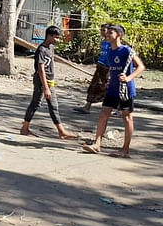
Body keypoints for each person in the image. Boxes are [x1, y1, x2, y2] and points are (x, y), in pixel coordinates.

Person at [83, 24, 146, 158]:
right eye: (107, 33)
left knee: (127, 118)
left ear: (119, 35)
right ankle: (97, 144)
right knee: (104, 114)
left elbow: (141, 66)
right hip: (112, 89)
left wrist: (128, 78)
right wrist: (110, 79)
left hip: (126, 90)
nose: (107, 35)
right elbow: (113, 68)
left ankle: (125, 150)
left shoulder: (126, 50)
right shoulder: (110, 51)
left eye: (110, 33)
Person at [19, 26, 77, 139]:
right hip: (42, 81)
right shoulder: (41, 50)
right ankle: (25, 128)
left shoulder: (51, 48)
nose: (58, 40)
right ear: (49, 36)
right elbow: (41, 70)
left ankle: (61, 132)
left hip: (50, 81)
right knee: (36, 104)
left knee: (52, 105)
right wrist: (45, 87)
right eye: (56, 38)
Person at [74, 24, 111, 114]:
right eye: (101, 30)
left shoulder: (112, 43)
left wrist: (111, 70)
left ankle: (118, 109)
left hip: (108, 67)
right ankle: (87, 106)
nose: (102, 32)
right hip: (101, 65)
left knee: (108, 87)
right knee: (94, 85)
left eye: (104, 30)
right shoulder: (103, 42)